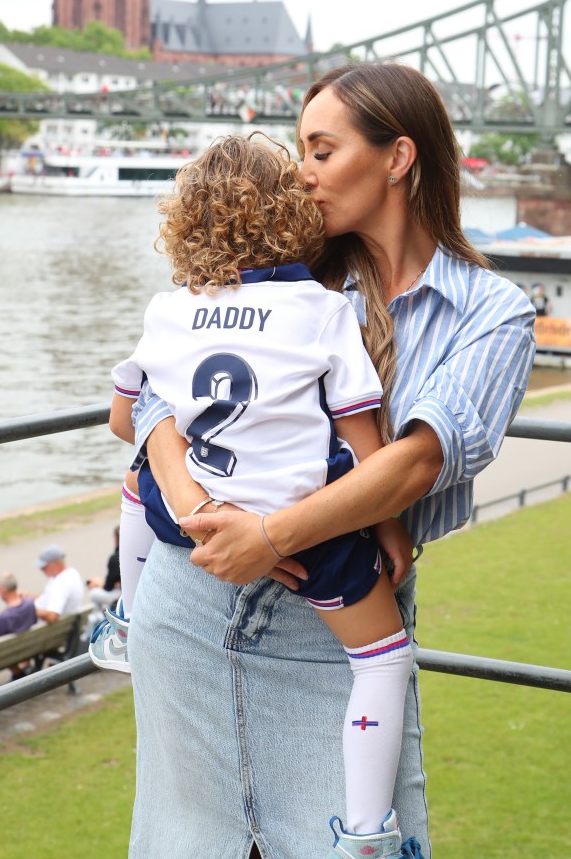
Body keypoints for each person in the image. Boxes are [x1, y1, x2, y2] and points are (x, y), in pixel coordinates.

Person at [124, 62, 536, 859]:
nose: (299, 173)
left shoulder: (492, 312)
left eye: (320, 149)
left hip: (336, 636)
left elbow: (415, 464)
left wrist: (271, 535)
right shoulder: (278, 275)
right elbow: (149, 393)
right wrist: (197, 509)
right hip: (191, 603)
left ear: (397, 157)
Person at [93, 134, 419, 856]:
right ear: (292, 214)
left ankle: (124, 616)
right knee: (383, 658)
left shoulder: (167, 310)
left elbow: (127, 420)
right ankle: (366, 832)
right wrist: (388, 528)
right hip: (308, 530)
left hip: (188, 526)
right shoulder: (324, 309)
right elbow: (366, 446)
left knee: (136, 476)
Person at [0, 573, 38, 681]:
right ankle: (21, 669)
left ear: (2, 590)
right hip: (27, 648)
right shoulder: (30, 605)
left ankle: (17, 672)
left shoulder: (4, 618)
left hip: (6, 655)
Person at [33, 545, 84, 624]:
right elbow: (48, 597)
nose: (41, 570)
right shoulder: (71, 573)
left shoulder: (62, 583)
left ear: (55, 563)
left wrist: (29, 610)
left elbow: (52, 616)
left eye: (44, 567)